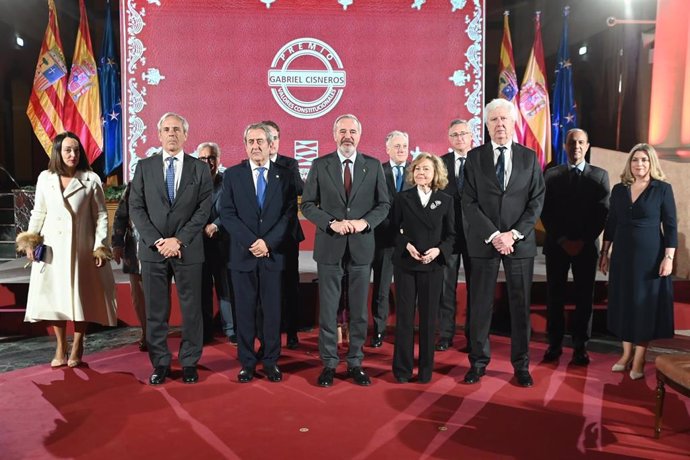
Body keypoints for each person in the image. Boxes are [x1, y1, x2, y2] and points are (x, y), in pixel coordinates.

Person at [301, 114, 390, 387]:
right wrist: (331, 223)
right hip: (330, 248)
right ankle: (328, 363)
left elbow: (383, 205)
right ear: (334, 134)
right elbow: (308, 204)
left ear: (359, 135)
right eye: (343, 131)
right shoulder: (320, 165)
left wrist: (364, 223)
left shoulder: (373, 166)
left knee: (359, 312)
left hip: (362, 249)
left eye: (352, 131)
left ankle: (355, 362)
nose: (347, 135)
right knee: (328, 310)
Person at [461, 98, 545, 387]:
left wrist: (513, 234)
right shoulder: (474, 158)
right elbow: (468, 202)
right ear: (486, 125)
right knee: (480, 305)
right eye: (493, 120)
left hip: (519, 243)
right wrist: (495, 235)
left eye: (504, 119)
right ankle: (478, 363)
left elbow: (536, 202)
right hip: (484, 242)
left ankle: (521, 365)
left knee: (520, 307)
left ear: (514, 123)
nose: (499, 125)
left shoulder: (529, 157)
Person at [17, 132, 117, 368]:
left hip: (81, 248)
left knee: (81, 297)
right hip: (52, 248)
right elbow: (38, 212)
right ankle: (61, 346)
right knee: (54, 297)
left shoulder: (91, 179)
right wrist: (32, 240)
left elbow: (101, 215)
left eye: (76, 150)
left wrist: (100, 246)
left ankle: (79, 344)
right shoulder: (45, 178)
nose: (73, 155)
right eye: (68, 150)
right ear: (58, 153)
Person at [129, 112, 213, 385]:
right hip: (153, 251)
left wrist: (179, 240)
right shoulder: (144, 167)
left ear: (186, 135)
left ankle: (189, 362)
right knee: (156, 311)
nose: (172, 133)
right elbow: (136, 208)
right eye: (166, 129)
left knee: (192, 311)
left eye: (177, 129)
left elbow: (203, 209)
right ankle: (161, 363)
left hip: (188, 249)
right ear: (159, 134)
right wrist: (158, 241)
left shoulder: (199, 169)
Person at [220, 123, 297, 383]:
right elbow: (227, 214)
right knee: (244, 311)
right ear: (245, 145)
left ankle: (271, 361)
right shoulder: (232, 175)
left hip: (272, 256)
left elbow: (288, 216)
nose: (255, 146)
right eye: (250, 141)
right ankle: (247, 362)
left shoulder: (284, 176)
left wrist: (268, 243)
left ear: (270, 144)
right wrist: (252, 241)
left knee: (272, 312)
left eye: (260, 141)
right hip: (242, 255)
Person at [599, 143, 676, 380]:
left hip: (650, 257)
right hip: (622, 255)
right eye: (635, 160)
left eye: (643, 160)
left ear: (651, 162)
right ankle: (625, 353)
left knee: (644, 306)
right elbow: (611, 222)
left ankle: (640, 357)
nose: (639, 164)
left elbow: (671, 225)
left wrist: (669, 257)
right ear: (629, 163)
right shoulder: (619, 189)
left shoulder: (662, 188)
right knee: (624, 302)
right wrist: (605, 252)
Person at [541, 129, 610, 365]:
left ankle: (581, 346)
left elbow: (602, 213)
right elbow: (545, 211)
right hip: (557, 245)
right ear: (565, 146)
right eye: (572, 142)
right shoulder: (551, 175)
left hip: (585, 246)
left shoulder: (600, 176)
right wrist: (562, 240)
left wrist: (582, 240)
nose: (577, 146)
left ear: (588, 146)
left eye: (581, 142)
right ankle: (554, 344)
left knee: (584, 297)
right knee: (555, 296)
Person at [391, 153, 455, 383]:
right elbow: (391, 230)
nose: (421, 172)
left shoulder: (446, 200)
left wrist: (438, 251)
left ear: (436, 173)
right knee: (405, 320)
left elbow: (451, 235)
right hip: (406, 265)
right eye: (417, 168)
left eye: (426, 169)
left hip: (432, 266)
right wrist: (406, 245)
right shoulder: (402, 198)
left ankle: (426, 371)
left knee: (428, 321)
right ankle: (402, 370)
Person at [263, 120, 305, 350]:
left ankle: (291, 331)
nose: (272, 142)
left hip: (286, 235)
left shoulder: (290, 164)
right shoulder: (250, 165)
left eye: (275, 137)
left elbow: (300, 190)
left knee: (289, 284)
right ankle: (268, 330)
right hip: (259, 237)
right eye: (267, 136)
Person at [370, 130, 412, 348]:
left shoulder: (417, 172)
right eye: (396, 146)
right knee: (382, 288)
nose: (401, 150)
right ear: (387, 149)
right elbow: (376, 205)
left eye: (404, 146)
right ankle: (379, 331)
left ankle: (405, 331)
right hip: (384, 240)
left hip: (409, 243)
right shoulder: (378, 171)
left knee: (407, 289)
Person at [437, 119, 473, 353]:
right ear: (450, 139)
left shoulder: (483, 161)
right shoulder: (440, 163)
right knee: (445, 286)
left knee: (476, 287)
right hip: (448, 236)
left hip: (476, 236)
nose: (460, 138)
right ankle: (445, 334)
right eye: (455, 135)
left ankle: (473, 334)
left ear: (471, 136)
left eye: (463, 134)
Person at [197, 142, 236, 345]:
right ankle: (205, 332)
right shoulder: (192, 182)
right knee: (202, 290)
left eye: (211, 157)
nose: (208, 162)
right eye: (203, 158)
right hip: (199, 245)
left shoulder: (228, 181)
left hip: (223, 244)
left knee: (225, 289)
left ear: (218, 159)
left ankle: (230, 330)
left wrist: (216, 225)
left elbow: (232, 208)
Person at [112, 183, 147, 351]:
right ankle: (146, 332)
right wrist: (117, 244)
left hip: (162, 247)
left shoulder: (169, 181)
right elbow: (120, 215)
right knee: (138, 295)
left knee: (160, 295)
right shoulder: (134, 185)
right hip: (135, 248)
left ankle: (155, 332)